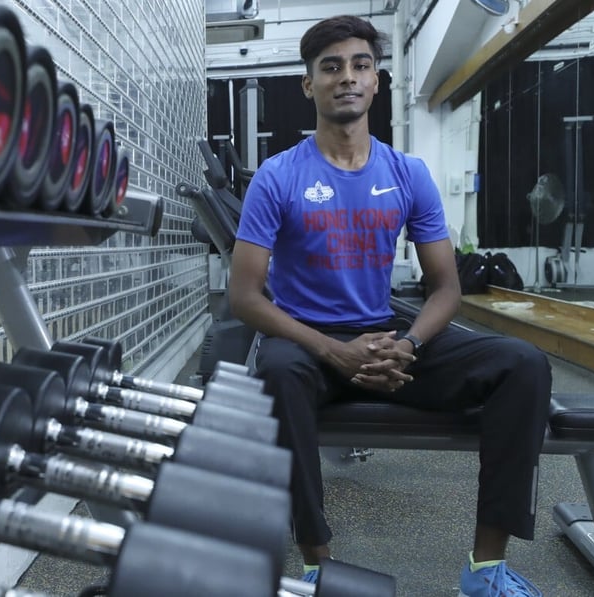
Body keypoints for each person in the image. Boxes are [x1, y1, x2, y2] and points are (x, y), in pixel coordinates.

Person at [228, 15, 551, 597]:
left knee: (523, 366)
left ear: (376, 81)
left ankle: (486, 573)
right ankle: (318, 567)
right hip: (308, 344)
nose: (346, 77)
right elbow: (245, 296)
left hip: (385, 341)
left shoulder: (407, 174)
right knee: (275, 372)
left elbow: (446, 287)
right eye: (330, 67)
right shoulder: (277, 177)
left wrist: (407, 345)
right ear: (308, 85)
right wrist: (332, 349)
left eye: (359, 65)